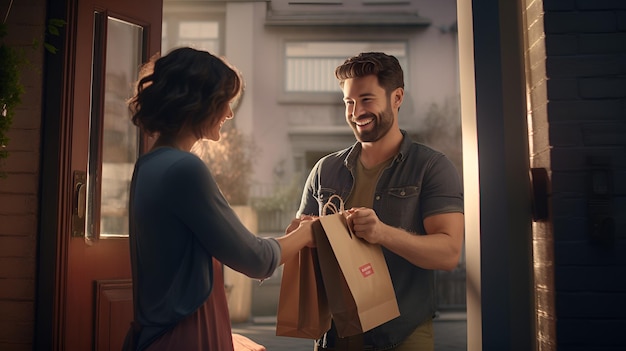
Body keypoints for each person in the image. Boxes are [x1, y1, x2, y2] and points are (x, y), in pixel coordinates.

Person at [124, 47, 314, 351]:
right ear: (199, 103)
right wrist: (306, 234)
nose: (229, 113)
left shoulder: (149, 165)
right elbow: (256, 259)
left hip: (157, 335)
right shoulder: (184, 170)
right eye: (224, 102)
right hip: (187, 337)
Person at [295, 52, 465, 351]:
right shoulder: (325, 169)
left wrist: (382, 233)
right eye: (349, 102)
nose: (356, 111)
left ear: (397, 97)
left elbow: (448, 253)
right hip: (333, 337)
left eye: (367, 99)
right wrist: (306, 235)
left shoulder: (431, 167)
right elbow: (300, 244)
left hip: (402, 337)